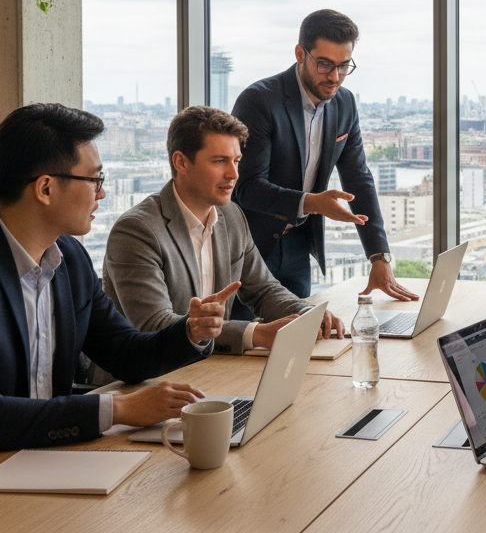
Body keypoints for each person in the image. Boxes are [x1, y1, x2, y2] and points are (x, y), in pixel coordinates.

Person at [0, 104, 236, 481]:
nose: (103, 193)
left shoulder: (68, 258)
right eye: (95, 179)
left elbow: (125, 354)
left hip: (36, 457)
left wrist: (190, 332)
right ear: (45, 188)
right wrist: (119, 409)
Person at [104, 106, 345, 353]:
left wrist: (308, 313)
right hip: (143, 380)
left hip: (211, 366)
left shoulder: (231, 215)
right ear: (181, 162)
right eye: (220, 161)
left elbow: (263, 290)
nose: (233, 174)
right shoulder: (136, 231)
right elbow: (154, 325)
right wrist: (256, 334)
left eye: (236, 161)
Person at [231, 9, 418, 304]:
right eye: (324, 65)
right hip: (248, 246)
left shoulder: (345, 104)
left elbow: (359, 178)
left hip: (297, 245)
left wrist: (378, 257)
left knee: (296, 341)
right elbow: (246, 187)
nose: (335, 77)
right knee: (242, 343)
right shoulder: (259, 101)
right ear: (300, 54)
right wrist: (312, 203)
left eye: (344, 66)